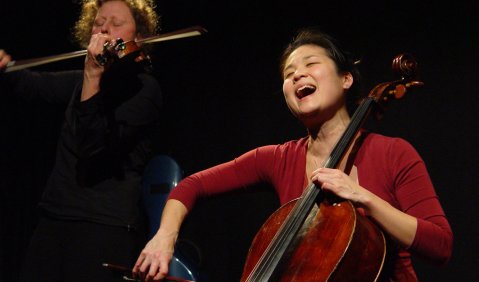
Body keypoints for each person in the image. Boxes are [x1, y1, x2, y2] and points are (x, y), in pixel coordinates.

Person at [132, 27, 453, 281]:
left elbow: (440, 244)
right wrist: (164, 238)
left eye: (311, 64)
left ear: (346, 78)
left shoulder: (393, 153)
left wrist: (363, 197)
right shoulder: (278, 158)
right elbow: (191, 186)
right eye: (288, 73)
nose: (297, 75)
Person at [0, 0, 162, 280]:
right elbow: (33, 85)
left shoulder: (144, 90)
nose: (105, 30)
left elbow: (93, 146)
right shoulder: (83, 81)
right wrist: (4, 67)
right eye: (99, 23)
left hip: (103, 227)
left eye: (116, 23)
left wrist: (92, 75)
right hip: (54, 218)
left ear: (140, 36)